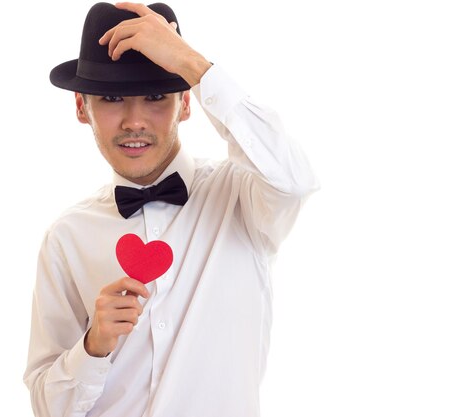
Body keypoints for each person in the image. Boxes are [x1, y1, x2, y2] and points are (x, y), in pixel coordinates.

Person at [24, 2, 318, 416]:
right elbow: (46, 406)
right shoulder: (66, 237)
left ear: (186, 103)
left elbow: (297, 179)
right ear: (80, 107)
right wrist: (92, 348)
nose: (134, 121)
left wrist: (193, 65)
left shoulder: (243, 198)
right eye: (111, 98)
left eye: (157, 96)